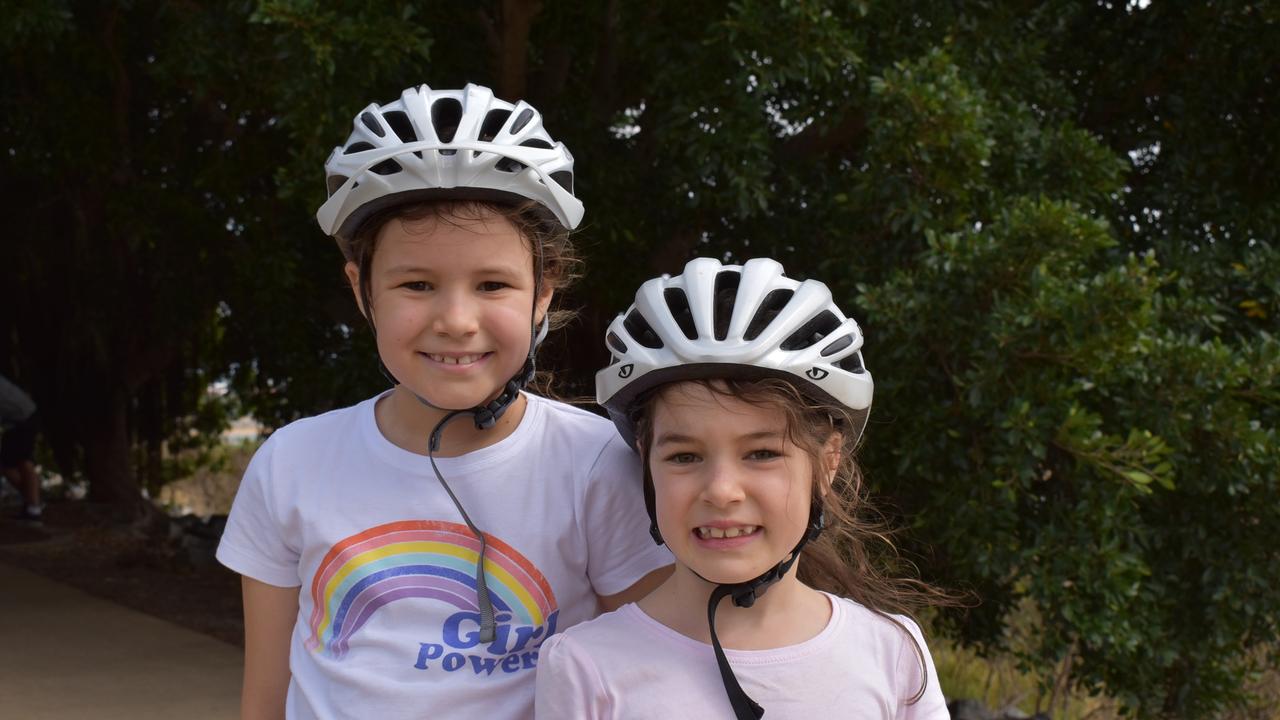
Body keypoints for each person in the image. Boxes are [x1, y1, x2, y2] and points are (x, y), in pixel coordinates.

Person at [216, 83, 671, 720]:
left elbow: (651, 680)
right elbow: (264, 695)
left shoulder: (597, 464)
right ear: (361, 289)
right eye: (417, 283)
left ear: (544, 291)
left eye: (492, 284)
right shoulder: (292, 462)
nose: (456, 320)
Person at [536, 257, 952, 719]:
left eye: (761, 454)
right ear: (645, 463)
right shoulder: (584, 666)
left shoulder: (893, 655)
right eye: (684, 457)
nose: (722, 490)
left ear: (828, 462)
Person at [0, 373, 42, 522]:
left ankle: (34, 506)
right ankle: (33, 501)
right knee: (12, 465)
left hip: (23, 420)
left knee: (21, 463)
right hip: (17, 422)